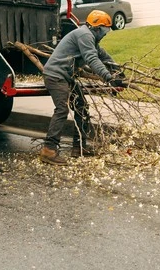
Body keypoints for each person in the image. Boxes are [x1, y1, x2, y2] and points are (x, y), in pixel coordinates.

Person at [39, 10, 127, 165]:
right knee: (62, 109)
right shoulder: (84, 35)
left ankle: (78, 147)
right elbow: (92, 58)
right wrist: (108, 78)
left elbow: (103, 56)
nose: (105, 34)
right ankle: (48, 150)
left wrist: (118, 73)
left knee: (82, 107)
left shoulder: (90, 38)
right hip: (55, 76)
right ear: (97, 27)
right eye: (105, 31)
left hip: (66, 77)